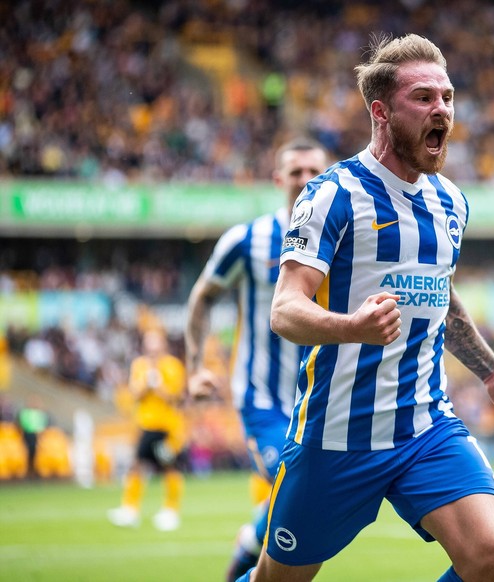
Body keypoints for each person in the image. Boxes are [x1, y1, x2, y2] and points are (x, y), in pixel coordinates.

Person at [244, 33, 494, 582]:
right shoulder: (332, 194)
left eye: (447, 97)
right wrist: (352, 326)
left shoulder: (451, 202)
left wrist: (493, 373)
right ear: (382, 112)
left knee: (491, 556)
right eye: (424, 98)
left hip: (424, 425)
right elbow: (285, 309)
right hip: (336, 436)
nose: (442, 111)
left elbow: (441, 301)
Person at [185, 140, 329, 579]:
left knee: (303, 497)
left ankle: (249, 545)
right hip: (262, 399)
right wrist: (196, 367)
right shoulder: (248, 240)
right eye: (295, 172)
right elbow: (202, 297)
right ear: (279, 180)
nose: (304, 180)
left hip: (318, 402)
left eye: (312, 172)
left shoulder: (342, 240)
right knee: (300, 493)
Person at [108, 329, 187, 531]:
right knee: (137, 466)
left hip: (166, 426)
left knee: (169, 467)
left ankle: (171, 511)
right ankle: (130, 509)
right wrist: (147, 384)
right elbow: (135, 394)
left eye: (156, 345)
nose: (152, 350)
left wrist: (158, 385)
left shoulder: (172, 365)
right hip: (146, 425)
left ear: (163, 346)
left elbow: (175, 397)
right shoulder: (139, 365)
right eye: (149, 345)